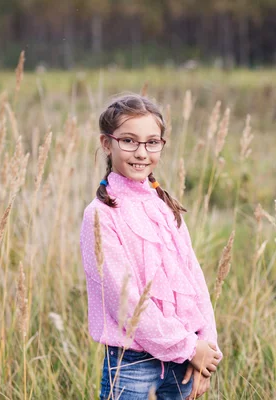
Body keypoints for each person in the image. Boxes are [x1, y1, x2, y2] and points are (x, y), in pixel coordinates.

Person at [79, 93, 223, 400]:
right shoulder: (101, 214)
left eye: (152, 142)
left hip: (184, 363)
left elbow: (195, 282)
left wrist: (204, 352)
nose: (141, 152)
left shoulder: (164, 206)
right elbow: (125, 301)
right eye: (129, 141)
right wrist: (188, 347)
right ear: (107, 143)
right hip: (132, 366)